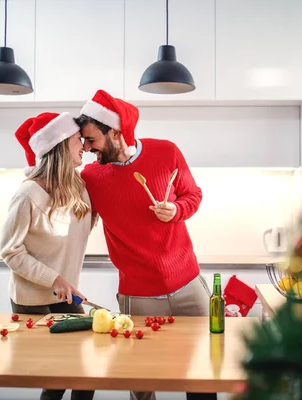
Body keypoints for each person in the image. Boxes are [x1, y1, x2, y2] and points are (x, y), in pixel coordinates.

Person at [77, 89, 216, 400]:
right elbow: (77, 219)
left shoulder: (166, 152)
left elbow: (193, 195)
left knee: (201, 373)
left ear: (114, 132)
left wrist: (177, 210)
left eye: (90, 140)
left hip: (188, 287)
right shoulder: (91, 176)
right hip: (136, 295)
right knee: (140, 381)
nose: (86, 148)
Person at [0, 111, 95, 400]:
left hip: (64, 296)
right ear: (60, 143)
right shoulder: (27, 194)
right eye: (79, 139)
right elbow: (10, 251)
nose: (85, 146)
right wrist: (54, 278)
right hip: (33, 300)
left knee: (83, 374)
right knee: (55, 376)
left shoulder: (78, 187)